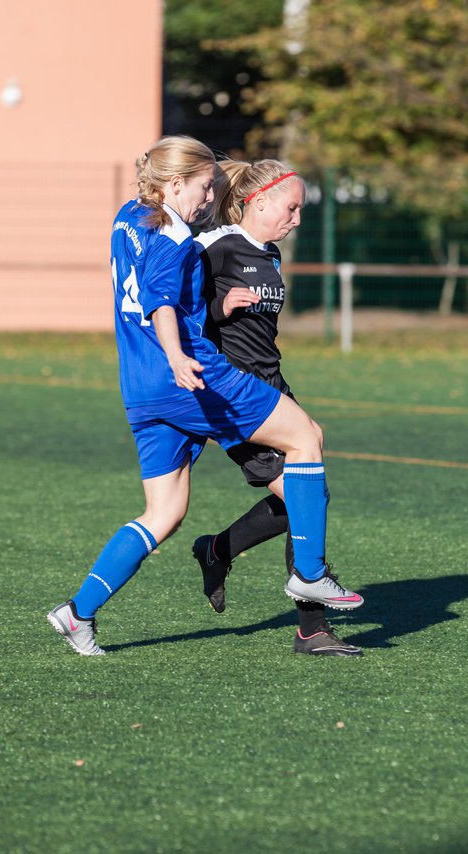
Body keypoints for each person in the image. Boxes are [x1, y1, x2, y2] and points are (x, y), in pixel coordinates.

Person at [47, 137, 363, 656]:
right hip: (192, 374)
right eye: (204, 185)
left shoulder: (129, 216)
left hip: (140, 388)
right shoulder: (174, 234)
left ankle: (78, 613)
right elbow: (161, 301)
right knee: (306, 438)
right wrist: (176, 354)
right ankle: (309, 575)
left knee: (164, 513)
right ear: (174, 184)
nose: (211, 195)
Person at [190, 159, 363, 657]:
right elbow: (174, 316)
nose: (297, 219)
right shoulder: (212, 249)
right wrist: (219, 310)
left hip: (272, 385)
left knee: (305, 496)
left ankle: (218, 549)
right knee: (306, 496)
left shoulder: (269, 255)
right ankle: (312, 627)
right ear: (259, 200)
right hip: (232, 394)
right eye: (292, 207)